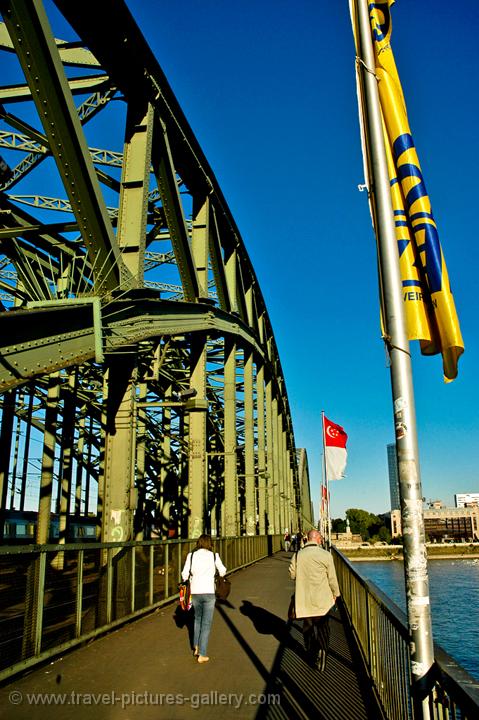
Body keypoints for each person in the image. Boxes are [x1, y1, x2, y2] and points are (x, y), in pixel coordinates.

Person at [289, 528, 340, 671]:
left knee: (308, 627)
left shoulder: (298, 555)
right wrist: (336, 594)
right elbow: (332, 578)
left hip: (304, 599)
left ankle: (311, 653)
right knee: (323, 627)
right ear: (318, 539)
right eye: (321, 539)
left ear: (307, 539)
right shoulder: (325, 555)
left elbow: (292, 575)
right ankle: (323, 649)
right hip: (323, 599)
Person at [181, 534, 227, 664]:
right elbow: (223, 571)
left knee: (197, 620)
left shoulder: (191, 556)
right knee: (206, 624)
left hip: (195, 591)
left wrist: (190, 578)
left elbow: (184, 574)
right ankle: (202, 654)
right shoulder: (214, 556)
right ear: (209, 543)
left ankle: (196, 646)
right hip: (209, 592)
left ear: (199, 543)